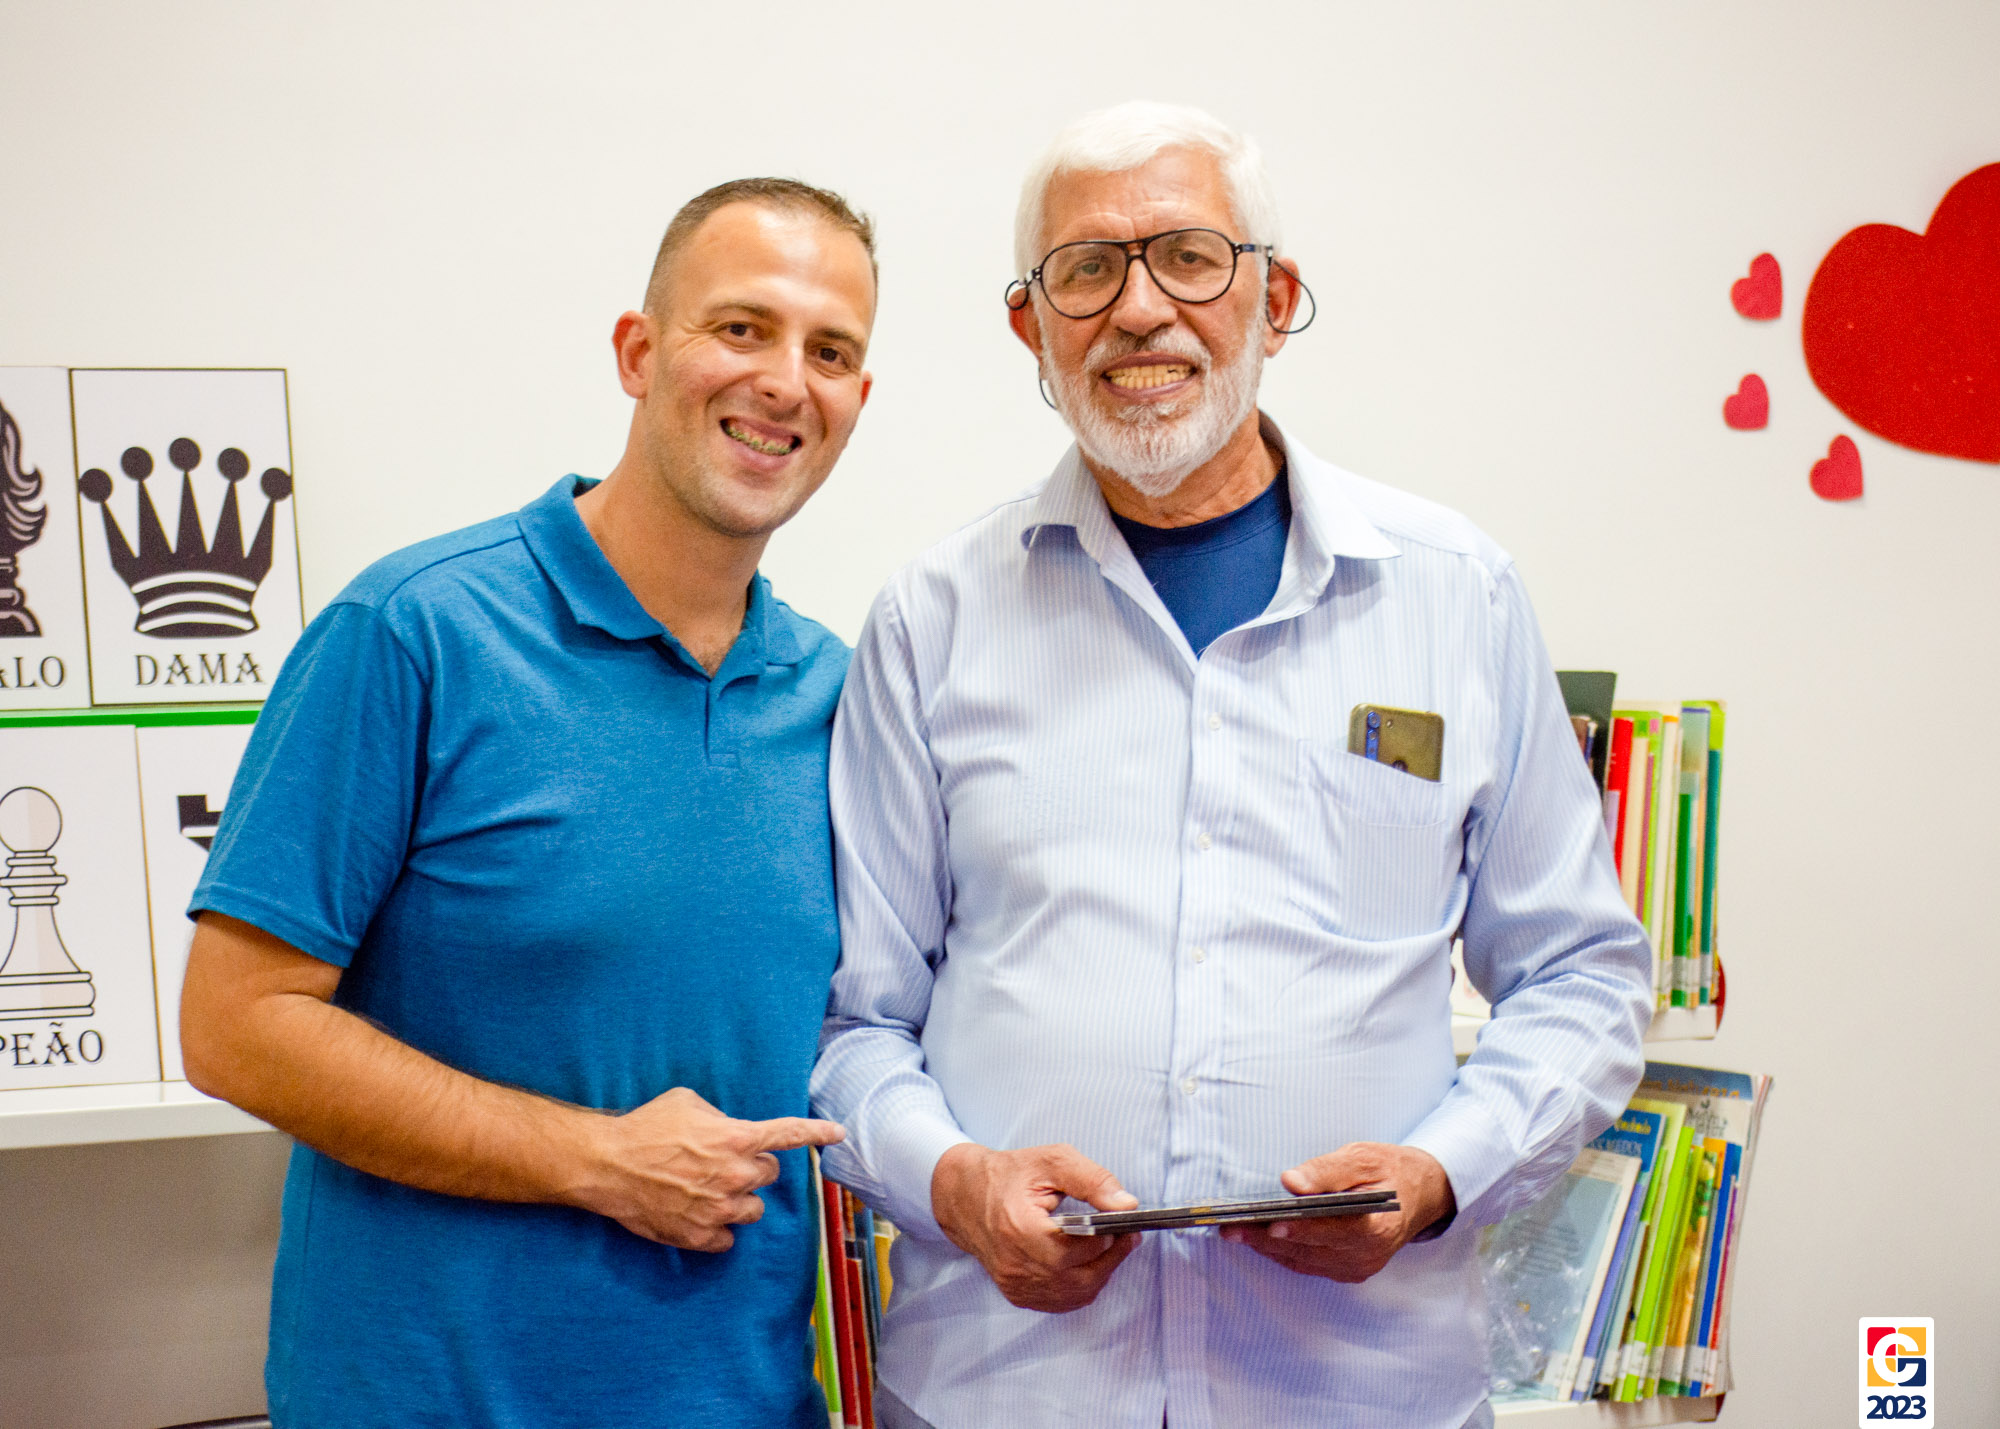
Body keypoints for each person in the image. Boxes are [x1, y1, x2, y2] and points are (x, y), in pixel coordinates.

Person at [811, 103, 1652, 1429]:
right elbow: (855, 1023)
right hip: (1009, 1393)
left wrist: (1437, 1174)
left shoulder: (1455, 597)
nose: (1140, 309)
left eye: (1190, 258)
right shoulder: (931, 621)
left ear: (1277, 296)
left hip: (1358, 1394)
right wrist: (958, 1184)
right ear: (1030, 328)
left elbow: (1581, 976)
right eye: (1087, 270)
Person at [179, 177, 877, 1428]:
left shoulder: (842, 696)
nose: (784, 381)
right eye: (740, 327)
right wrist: (598, 1160)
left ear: (856, 402)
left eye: (828, 352)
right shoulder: (413, 632)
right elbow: (236, 1026)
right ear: (637, 352)